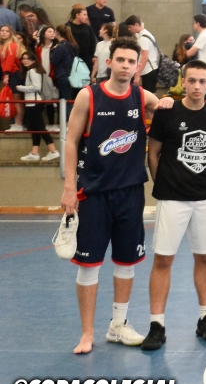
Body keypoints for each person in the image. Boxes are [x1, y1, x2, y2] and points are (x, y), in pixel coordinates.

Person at [55, 36, 175, 354]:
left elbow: (166, 107)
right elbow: (71, 142)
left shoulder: (141, 95)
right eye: (120, 59)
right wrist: (69, 188)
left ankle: (118, 325)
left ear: (138, 67)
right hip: (93, 193)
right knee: (89, 265)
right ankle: (87, 333)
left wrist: (166, 103)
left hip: (130, 193)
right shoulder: (89, 95)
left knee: (126, 262)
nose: (125, 65)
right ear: (109, 62)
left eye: (131, 61)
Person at [139, 60, 206, 350]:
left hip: (204, 197)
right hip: (172, 198)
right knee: (163, 259)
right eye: (191, 81)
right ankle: (156, 324)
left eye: (202, 81)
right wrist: (164, 184)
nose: (197, 86)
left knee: (204, 257)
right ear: (184, 82)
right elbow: (153, 153)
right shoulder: (167, 113)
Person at [15, 52, 57, 160]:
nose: (25, 60)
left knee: (39, 127)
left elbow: (36, 87)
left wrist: (20, 88)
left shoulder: (32, 71)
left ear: (33, 60)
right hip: (33, 102)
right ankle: (35, 152)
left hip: (34, 102)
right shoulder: (35, 71)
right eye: (23, 58)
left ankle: (53, 150)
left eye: (28, 58)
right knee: (35, 128)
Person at [125, 16, 160, 93]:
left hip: (148, 70)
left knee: (149, 94)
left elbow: (144, 57)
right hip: (151, 69)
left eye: (130, 27)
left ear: (136, 25)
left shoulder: (143, 38)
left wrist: (137, 75)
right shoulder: (147, 34)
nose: (129, 29)